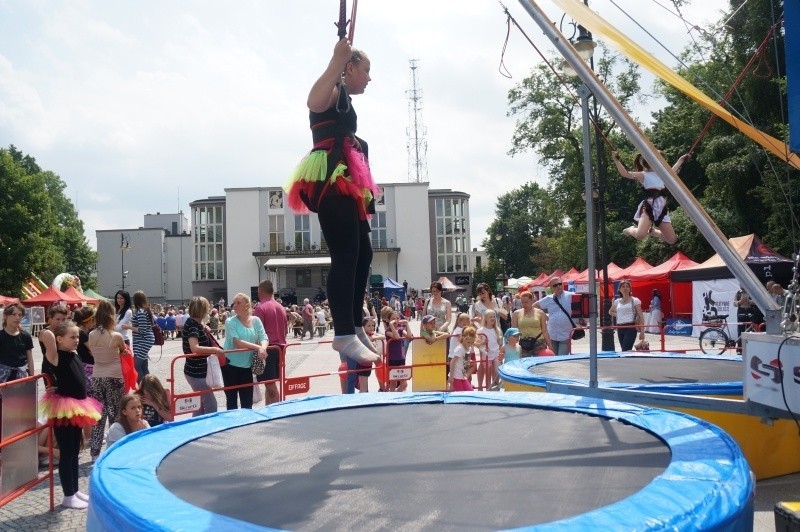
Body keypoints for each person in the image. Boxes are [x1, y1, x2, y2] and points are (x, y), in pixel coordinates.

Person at [285, 38, 380, 367]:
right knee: (346, 254)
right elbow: (312, 101)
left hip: (346, 176)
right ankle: (343, 333)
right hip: (331, 175)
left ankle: (354, 324)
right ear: (350, 68)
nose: (369, 78)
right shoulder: (334, 91)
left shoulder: (344, 97)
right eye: (366, 70)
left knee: (363, 252)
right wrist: (334, 62)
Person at [39, 321, 101, 509]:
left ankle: (74, 490)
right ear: (59, 339)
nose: (77, 340)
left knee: (75, 451)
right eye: (72, 337)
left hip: (78, 407)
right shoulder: (55, 356)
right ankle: (67, 495)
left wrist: (69, 331)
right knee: (66, 453)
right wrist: (54, 327)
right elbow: (45, 334)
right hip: (64, 409)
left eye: (77, 337)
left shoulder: (74, 355)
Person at [611, 150, 690, 244]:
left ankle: (653, 232)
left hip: (661, 210)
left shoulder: (663, 175)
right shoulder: (644, 175)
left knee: (672, 240)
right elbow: (625, 173)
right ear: (651, 162)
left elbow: (673, 170)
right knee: (640, 235)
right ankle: (630, 229)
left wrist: (681, 160)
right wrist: (616, 160)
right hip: (649, 208)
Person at [87, 300, 128, 461]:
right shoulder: (116, 336)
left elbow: (92, 352)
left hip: (97, 376)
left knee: (99, 416)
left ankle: (95, 452)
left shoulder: (91, 335)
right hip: (114, 376)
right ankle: (115, 447)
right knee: (116, 414)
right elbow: (124, 351)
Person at [223, 293, 268, 409]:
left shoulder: (256, 320)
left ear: (247, 305)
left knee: (247, 403)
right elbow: (237, 342)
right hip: (230, 366)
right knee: (231, 402)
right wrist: (258, 348)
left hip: (247, 368)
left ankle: (247, 426)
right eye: (234, 303)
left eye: (238, 303)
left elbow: (264, 337)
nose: (234, 306)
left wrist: (263, 347)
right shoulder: (230, 321)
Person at [182, 296, 222, 417]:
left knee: (199, 405)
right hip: (196, 372)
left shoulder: (194, 323)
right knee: (211, 404)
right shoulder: (193, 325)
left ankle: (196, 429)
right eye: (207, 308)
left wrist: (204, 329)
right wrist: (215, 350)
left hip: (195, 370)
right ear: (202, 310)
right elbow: (194, 348)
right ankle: (207, 428)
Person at [253, 280, 287, 405]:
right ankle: (269, 408)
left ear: (260, 291)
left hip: (268, 349)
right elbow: (285, 329)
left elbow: (256, 332)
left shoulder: (260, 307)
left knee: (270, 385)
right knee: (270, 384)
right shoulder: (280, 307)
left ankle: (276, 411)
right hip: (281, 348)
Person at [534, 277, 581, 356]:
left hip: (566, 334)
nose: (558, 286)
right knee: (553, 359)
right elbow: (535, 306)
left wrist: (581, 320)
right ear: (552, 288)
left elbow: (582, 307)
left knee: (562, 359)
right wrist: (544, 316)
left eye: (560, 284)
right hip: (551, 334)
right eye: (555, 285)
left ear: (562, 284)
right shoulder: (548, 298)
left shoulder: (571, 296)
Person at [72, 306, 96, 440]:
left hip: (85, 366)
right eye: (93, 319)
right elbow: (93, 351)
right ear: (88, 320)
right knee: (90, 401)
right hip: (88, 367)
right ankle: (88, 434)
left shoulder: (81, 332)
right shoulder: (83, 333)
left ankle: (88, 433)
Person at [0, 302, 34, 383]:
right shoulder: (1, 335)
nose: (17, 317)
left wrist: (32, 377)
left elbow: (30, 358)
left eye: (20, 315)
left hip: (21, 376)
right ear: (5, 316)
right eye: (14, 314)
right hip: (3, 376)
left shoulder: (26, 336)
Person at [513, 291, 553, 357]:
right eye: (522, 302)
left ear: (532, 301)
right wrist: (513, 345)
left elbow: (545, 331)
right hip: (524, 343)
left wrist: (550, 346)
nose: (524, 304)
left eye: (526, 302)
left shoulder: (540, 313)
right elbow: (514, 331)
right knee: (524, 363)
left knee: (539, 365)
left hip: (539, 342)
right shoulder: (516, 313)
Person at [609, 280, 645, 351]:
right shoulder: (617, 301)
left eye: (627, 287)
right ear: (619, 289)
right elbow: (610, 311)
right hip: (620, 327)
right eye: (623, 287)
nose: (625, 288)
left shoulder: (635, 300)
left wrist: (642, 332)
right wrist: (618, 315)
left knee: (625, 349)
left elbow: (641, 315)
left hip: (630, 327)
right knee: (625, 350)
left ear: (630, 289)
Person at [130, 291, 155, 383]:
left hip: (143, 341)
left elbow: (142, 330)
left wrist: (129, 327)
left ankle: (142, 387)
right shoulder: (144, 310)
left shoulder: (140, 312)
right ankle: (150, 387)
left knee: (136, 365)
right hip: (143, 341)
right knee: (143, 366)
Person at [476, 309, 502, 390]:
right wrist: (483, 343)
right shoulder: (481, 330)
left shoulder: (497, 330)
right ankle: (488, 388)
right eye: (490, 317)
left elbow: (500, 343)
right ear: (485, 319)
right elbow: (476, 343)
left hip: (496, 353)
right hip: (487, 354)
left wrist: (501, 350)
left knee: (496, 372)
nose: (493, 318)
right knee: (488, 372)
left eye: (494, 317)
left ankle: (496, 387)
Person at [448, 326, 477, 392]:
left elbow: (463, 359)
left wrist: (468, 361)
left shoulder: (468, 348)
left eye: (472, 342)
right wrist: (451, 376)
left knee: (470, 392)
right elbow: (452, 362)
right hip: (456, 376)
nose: (470, 344)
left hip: (462, 376)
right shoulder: (460, 349)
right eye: (469, 342)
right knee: (460, 394)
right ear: (464, 338)